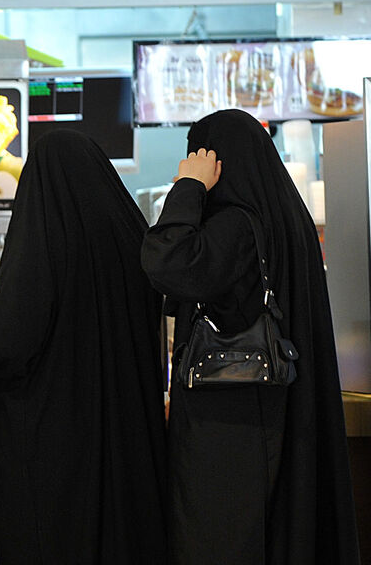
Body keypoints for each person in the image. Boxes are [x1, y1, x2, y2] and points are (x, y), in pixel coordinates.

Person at [141, 109, 360, 565]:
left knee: (222, 538)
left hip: (231, 422)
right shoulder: (285, 217)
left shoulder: (235, 226)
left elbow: (168, 262)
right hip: (275, 408)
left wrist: (188, 188)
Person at [0, 130, 167, 565]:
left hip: (52, 447)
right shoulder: (133, 236)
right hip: (129, 438)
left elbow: (8, 342)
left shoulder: (41, 238)